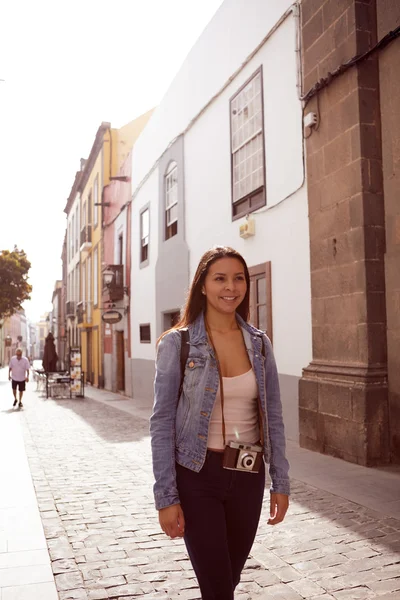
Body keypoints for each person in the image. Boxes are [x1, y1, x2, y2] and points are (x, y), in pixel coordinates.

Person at [150, 246, 290, 600]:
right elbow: (162, 421)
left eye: (239, 278)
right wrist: (166, 497)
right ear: (202, 286)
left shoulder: (259, 344)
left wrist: (281, 482)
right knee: (217, 587)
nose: (231, 287)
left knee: (228, 579)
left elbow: (273, 414)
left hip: (247, 474)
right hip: (197, 476)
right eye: (220, 278)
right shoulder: (177, 343)